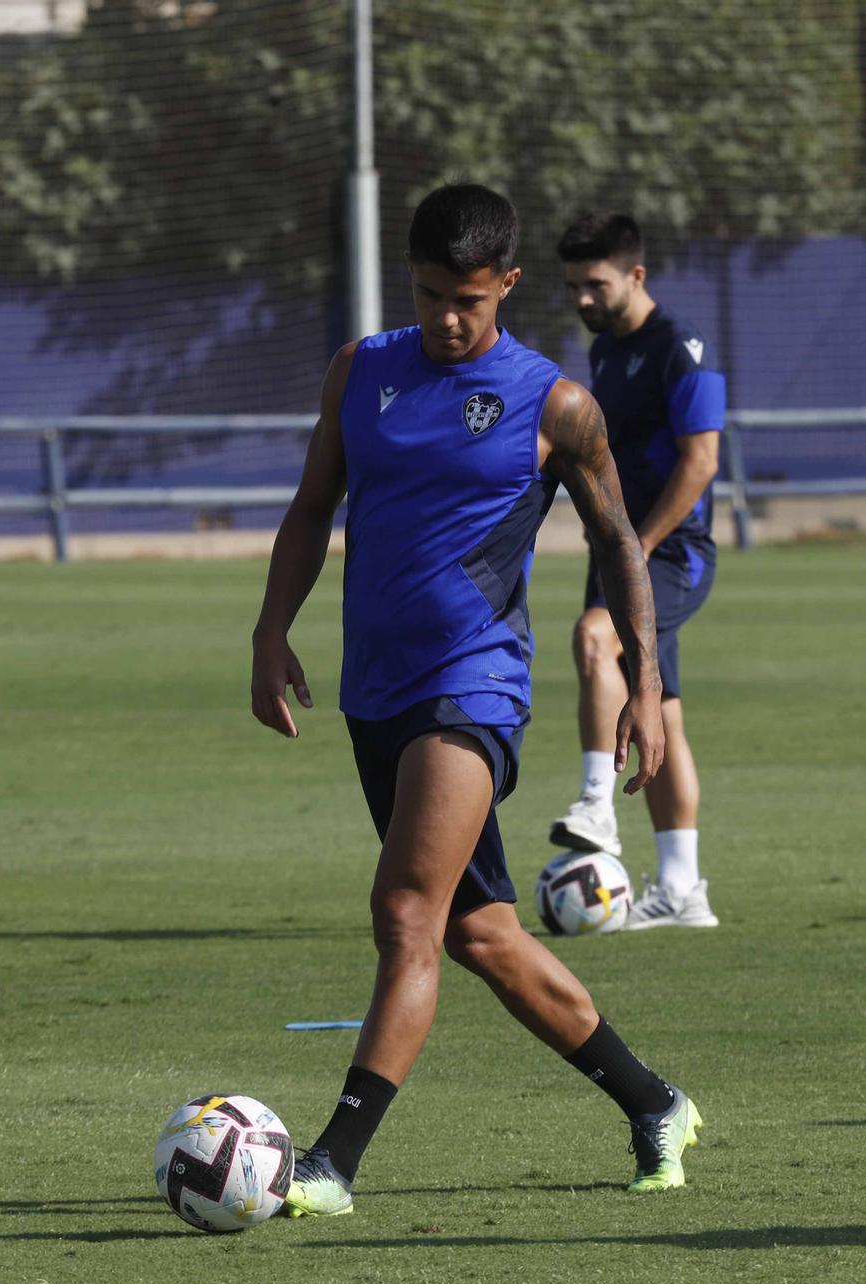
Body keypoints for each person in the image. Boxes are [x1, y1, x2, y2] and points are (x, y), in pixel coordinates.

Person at [250, 183, 702, 1216]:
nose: (446, 318)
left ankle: (332, 1162)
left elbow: (618, 540)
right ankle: (653, 1102)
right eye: (426, 295)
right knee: (481, 932)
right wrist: (270, 630)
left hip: (472, 682)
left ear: (504, 283)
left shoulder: (553, 403)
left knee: (404, 911)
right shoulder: (361, 370)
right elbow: (312, 503)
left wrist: (638, 674)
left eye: (466, 297)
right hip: (373, 691)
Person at [549, 211, 726, 929]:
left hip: (670, 551)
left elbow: (702, 461)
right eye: (573, 287)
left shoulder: (682, 352)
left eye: (596, 284)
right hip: (620, 552)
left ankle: (597, 806)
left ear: (636, 275)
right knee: (664, 718)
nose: (583, 300)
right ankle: (684, 892)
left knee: (594, 638)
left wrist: (640, 549)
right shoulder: (603, 353)